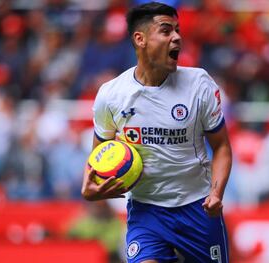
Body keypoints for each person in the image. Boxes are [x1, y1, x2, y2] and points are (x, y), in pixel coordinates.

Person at [80, 2, 232, 262]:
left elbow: (221, 147)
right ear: (140, 39)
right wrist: (90, 186)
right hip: (146, 211)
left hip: (198, 208)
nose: (177, 37)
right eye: (166, 31)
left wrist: (216, 193)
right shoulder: (112, 94)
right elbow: (99, 154)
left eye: (177, 30)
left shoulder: (199, 85)